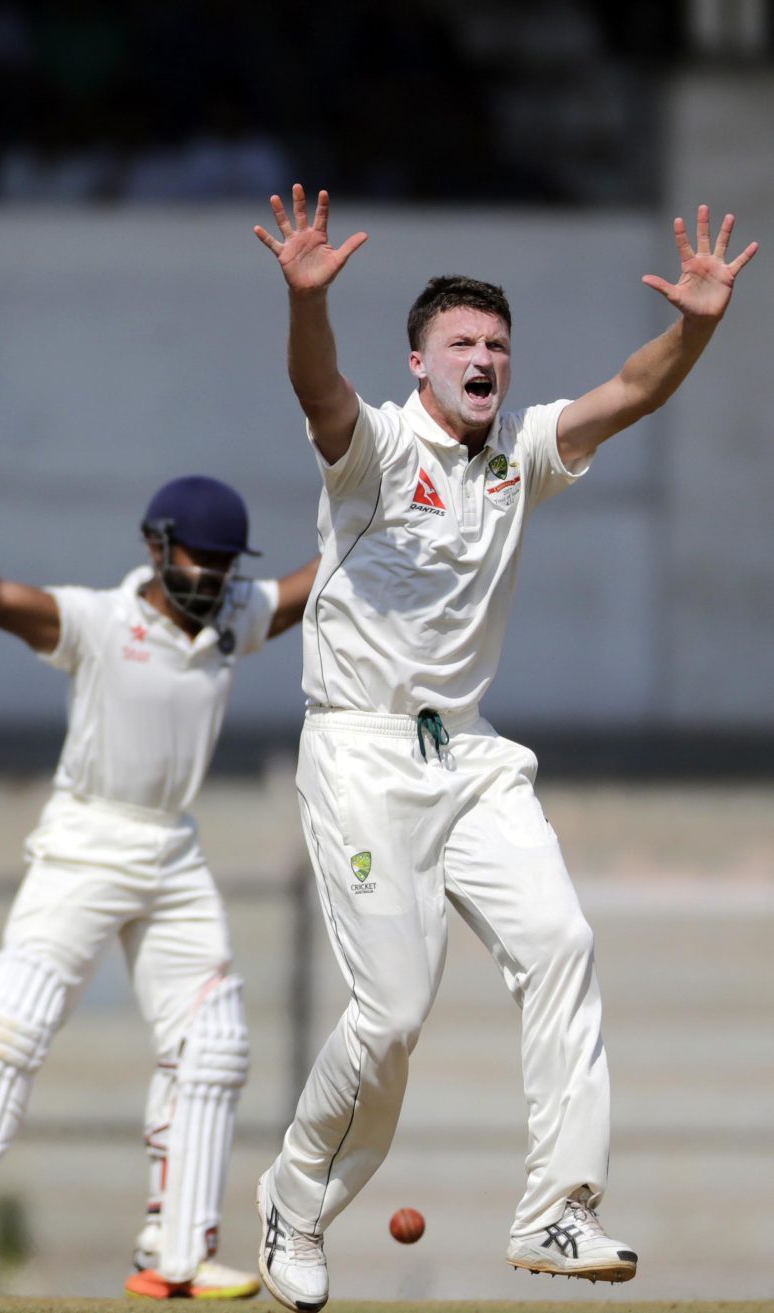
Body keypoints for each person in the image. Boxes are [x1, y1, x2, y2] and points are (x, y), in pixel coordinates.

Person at [251, 186, 757, 1311]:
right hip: (361, 755)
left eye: (496, 346)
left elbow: (627, 392)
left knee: (560, 938)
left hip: (469, 756)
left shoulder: (520, 452)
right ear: (419, 362)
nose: (482, 359)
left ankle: (554, 1208)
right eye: (459, 344)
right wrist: (304, 304)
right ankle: (293, 1193)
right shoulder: (376, 450)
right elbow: (316, 389)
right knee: (387, 1018)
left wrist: (699, 325)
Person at [0, 467, 318, 1301]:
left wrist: (389, 501)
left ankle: (177, 1252)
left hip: (173, 849)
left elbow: (304, 586)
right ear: (155, 546)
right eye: (198, 559)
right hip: (86, 838)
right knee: (7, 1025)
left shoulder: (230, 615)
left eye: (224, 563)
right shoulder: (99, 621)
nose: (212, 578)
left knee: (213, 1043)